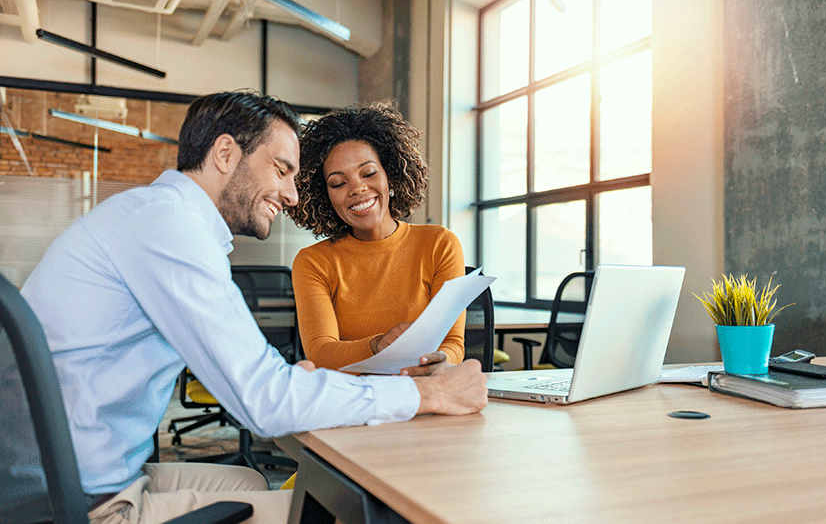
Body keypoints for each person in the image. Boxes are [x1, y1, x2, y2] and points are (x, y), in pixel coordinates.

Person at [20, 91, 488, 524]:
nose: (291, 194)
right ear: (225, 154)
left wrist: (293, 383)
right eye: (282, 170)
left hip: (78, 473)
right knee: (338, 512)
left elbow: (258, 383)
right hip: (72, 501)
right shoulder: (169, 228)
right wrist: (429, 396)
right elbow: (263, 401)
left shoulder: (156, 216)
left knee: (247, 481)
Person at [286, 103, 465, 375]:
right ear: (325, 196)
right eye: (338, 183)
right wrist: (377, 346)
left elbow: (453, 344)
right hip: (351, 399)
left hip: (423, 392)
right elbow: (321, 352)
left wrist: (442, 361)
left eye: (368, 173)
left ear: (391, 177)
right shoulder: (313, 262)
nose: (357, 188)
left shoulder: (440, 244)